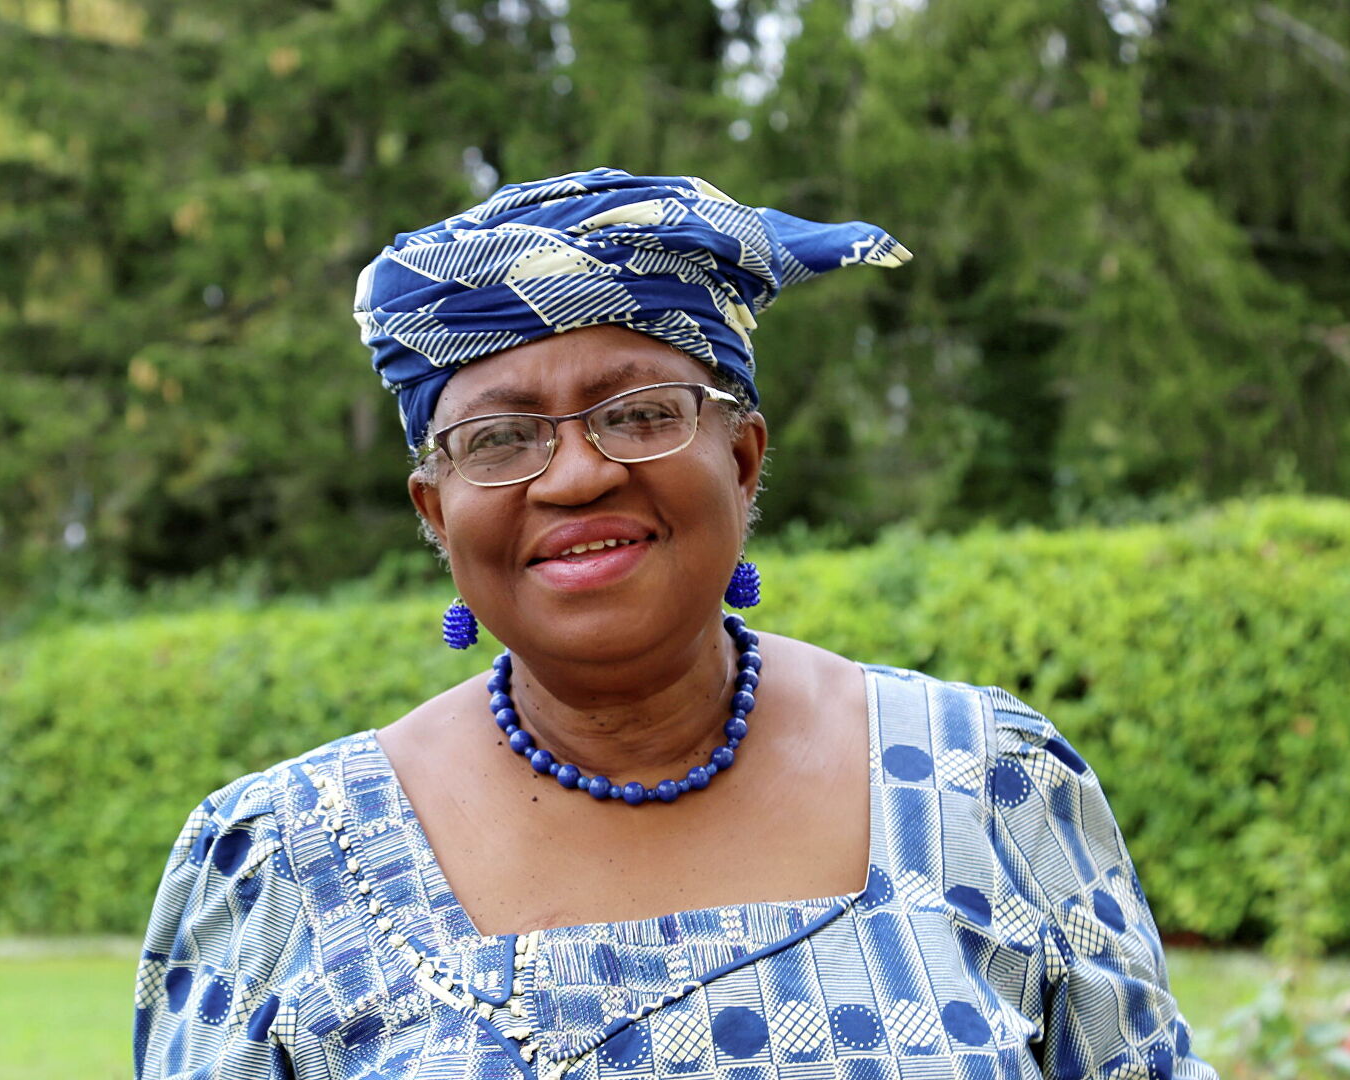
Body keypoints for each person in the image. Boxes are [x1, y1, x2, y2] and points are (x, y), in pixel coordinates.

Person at [133, 168, 1214, 1080]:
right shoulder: (283, 863)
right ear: (436, 513)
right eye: (500, 437)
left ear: (741, 460)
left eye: (640, 414)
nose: (576, 475)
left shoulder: (988, 785)